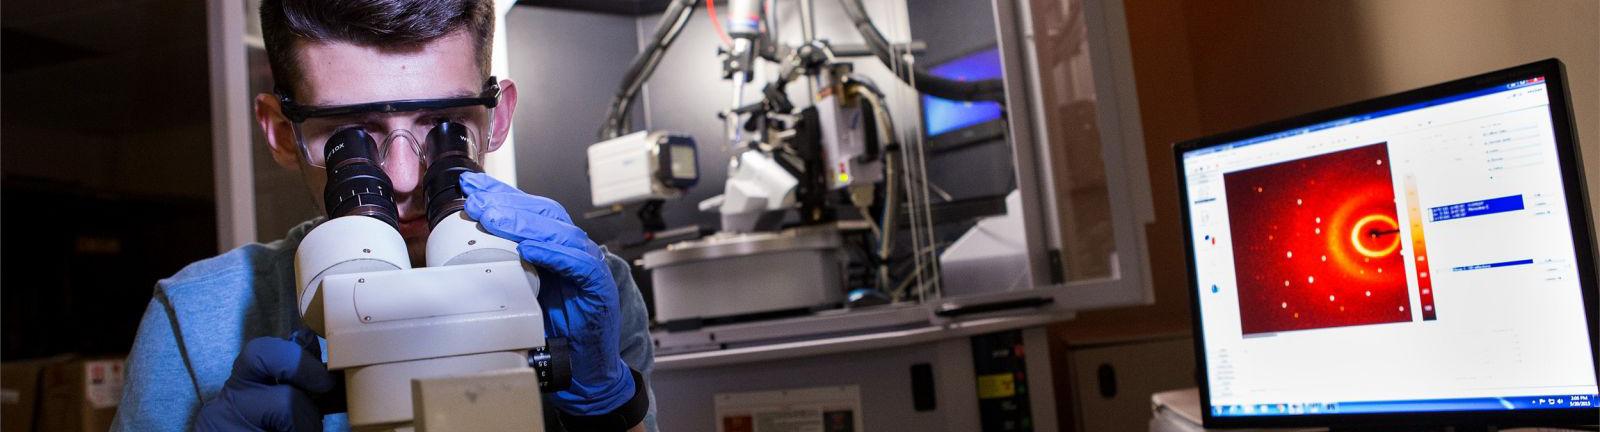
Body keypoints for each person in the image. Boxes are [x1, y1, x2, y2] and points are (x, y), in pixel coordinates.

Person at [110, 0, 655, 430]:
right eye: (350, 137)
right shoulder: (196, 315)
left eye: (444, 126)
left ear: (497, 117)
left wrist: (610, 410)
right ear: (281, 132)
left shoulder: (585, 293)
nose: (403, 177)